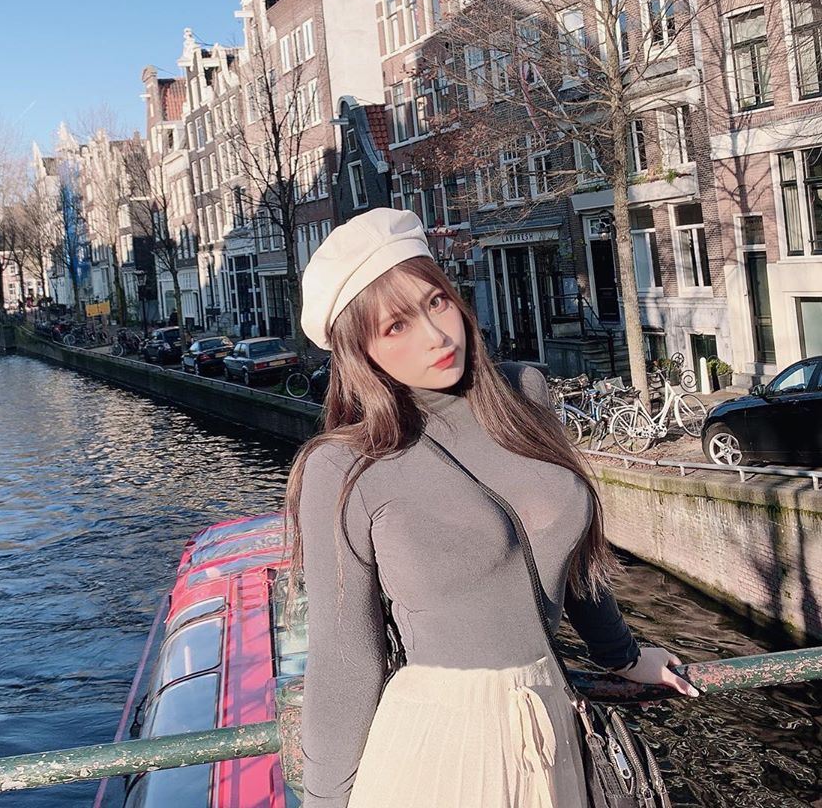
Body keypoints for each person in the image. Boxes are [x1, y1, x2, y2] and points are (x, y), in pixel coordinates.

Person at [287, 209, 696, 808]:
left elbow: (573, 562)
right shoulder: (345, 467)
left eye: (436, 302)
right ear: (361, 353)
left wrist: (622, 656)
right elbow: (345, 656)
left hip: (551, 719)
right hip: (443, 749)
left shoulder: (524, 394)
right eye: (396, 327)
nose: (436, 336)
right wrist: (326, 801)